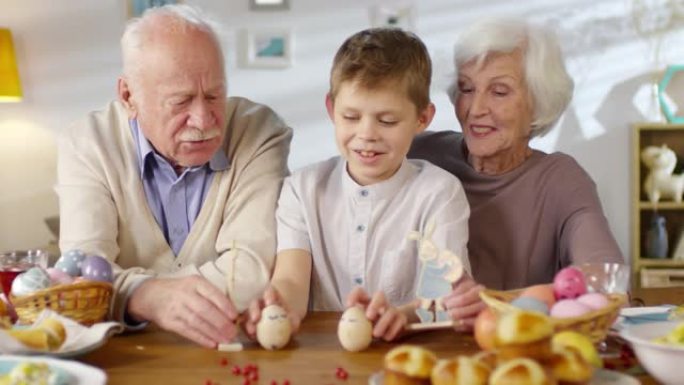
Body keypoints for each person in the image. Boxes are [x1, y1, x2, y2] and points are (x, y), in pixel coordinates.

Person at [56, 4, 292, 348]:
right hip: (124, 358)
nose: (203, 119)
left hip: (231, 349)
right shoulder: (86, 144)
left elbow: (251, 274)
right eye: (180, 102)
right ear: (128, 96)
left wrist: (125, 291)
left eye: (214, 96)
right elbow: (80, 280)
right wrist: (147, 297)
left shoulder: (260, 132)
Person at [244, 28, 474, 342]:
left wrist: (402, 316)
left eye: (387, 121)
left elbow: (446, 296)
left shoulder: (440, 193)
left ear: (422, 119)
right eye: (351, 116)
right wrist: (279, 302)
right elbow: (292, 280)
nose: (366, 134)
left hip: (410, 352)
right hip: (325, 357)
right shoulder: (301, 189)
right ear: (331, 109)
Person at [409, 18, 624, 324]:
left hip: (517, 347)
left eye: (499, 92)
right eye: (467, 88)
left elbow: (607, 282)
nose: (475, 109)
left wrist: (498, 307)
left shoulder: (560, 180)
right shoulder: (420, 155)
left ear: (538, 102)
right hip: (420, 342)